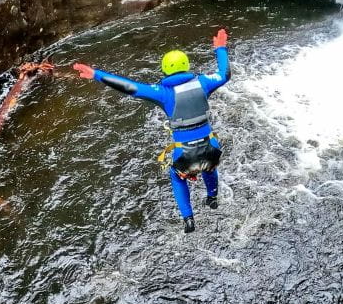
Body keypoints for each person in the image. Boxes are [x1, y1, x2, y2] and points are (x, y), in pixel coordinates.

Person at [73, 29, 231, 233]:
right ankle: (212, 199)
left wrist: (96, 74)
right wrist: (220, 48)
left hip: (185, 154)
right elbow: (225, 73)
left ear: (164, 71)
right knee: (210, 166)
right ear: (187, 66)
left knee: (177, 175)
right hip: (211, 148)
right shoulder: (204, 83)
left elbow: (129, 87)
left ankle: (188, 219)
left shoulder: (163, 93)